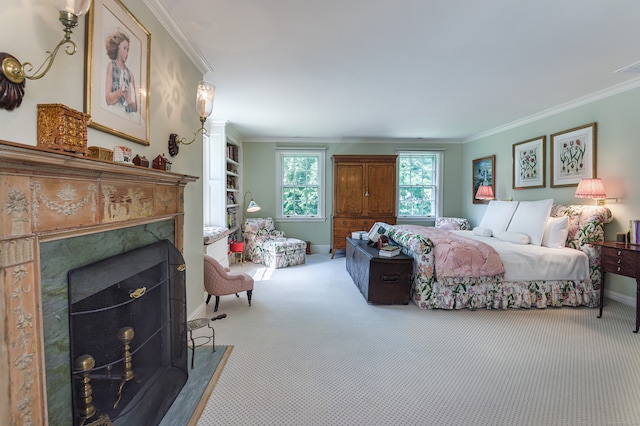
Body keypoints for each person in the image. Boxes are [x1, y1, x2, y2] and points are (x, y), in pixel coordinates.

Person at [105, 29, 137, 114]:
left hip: (127, 115)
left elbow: (135, 108)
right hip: (114, 113)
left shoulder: (130, 75)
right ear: (118, 47)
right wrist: (119, 93)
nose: (126, 53)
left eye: (128, 50)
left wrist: (129, 100)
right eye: (125, 48)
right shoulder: (111, 66)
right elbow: (108, 100)